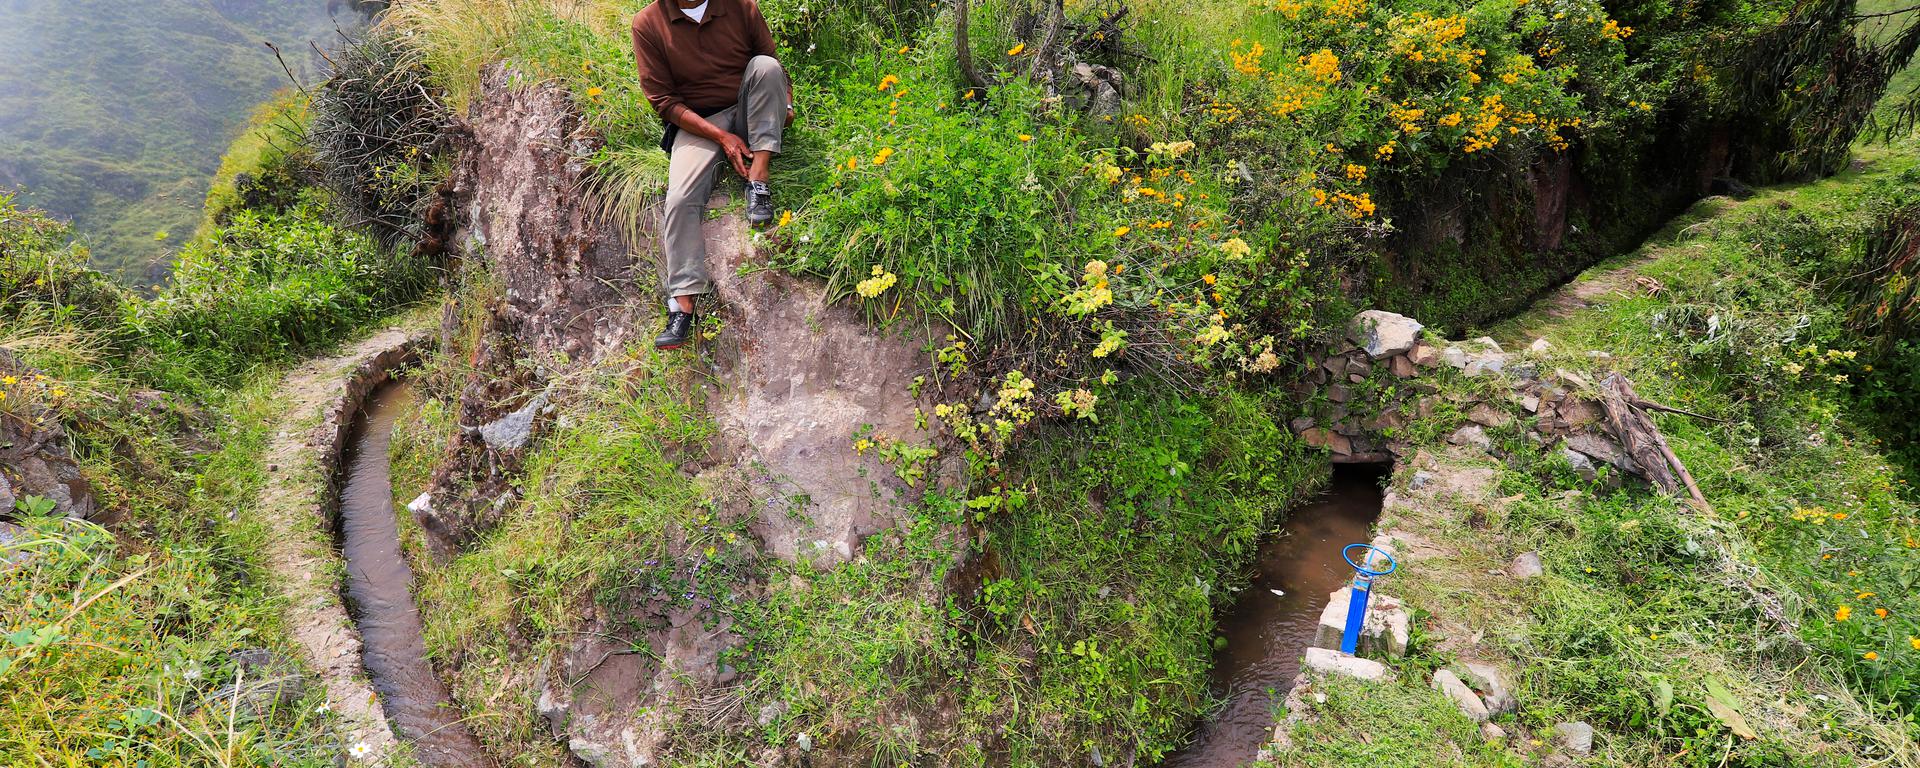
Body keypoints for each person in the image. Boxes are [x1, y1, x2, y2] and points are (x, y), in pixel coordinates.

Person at [631, 0, 793, 350]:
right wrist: (720, 137)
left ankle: (758, 179)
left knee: (764, 67)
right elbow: (664, 101)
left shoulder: (740, 6)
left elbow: (772, 64)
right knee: (679, 198)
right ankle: (683, 304)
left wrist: (786, 105)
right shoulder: (648, 23)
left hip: (749, 107)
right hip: (698, 123)